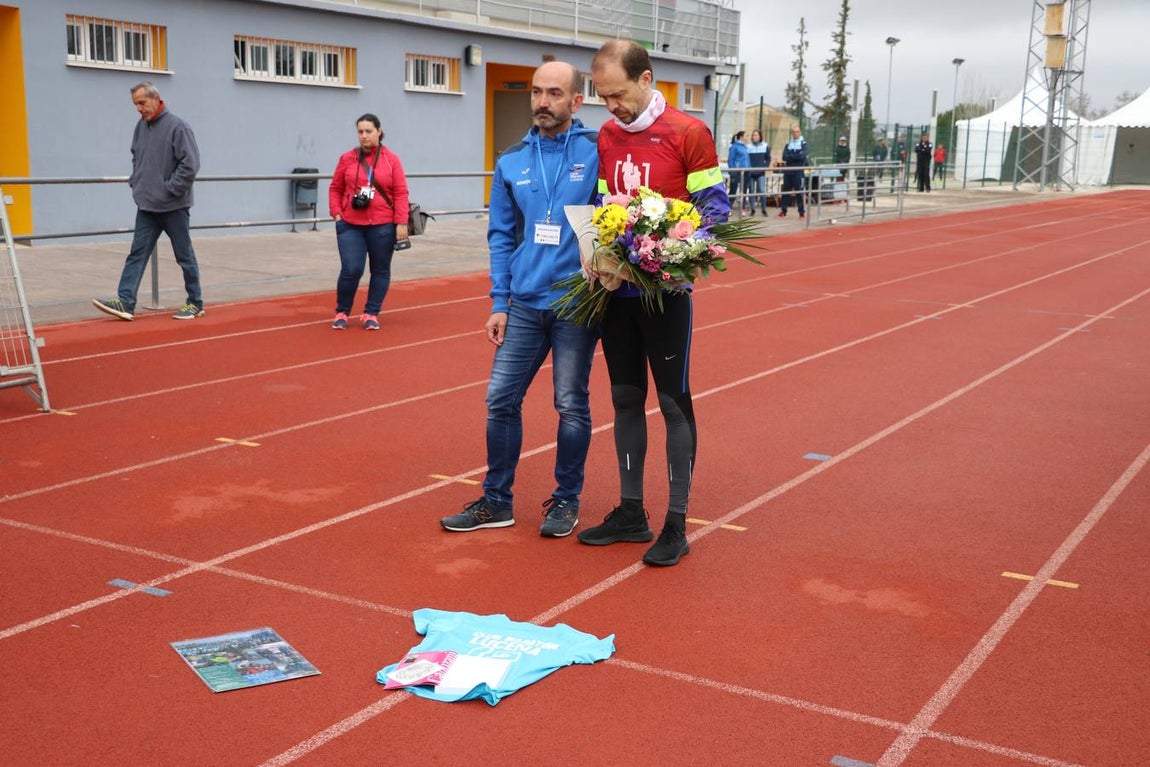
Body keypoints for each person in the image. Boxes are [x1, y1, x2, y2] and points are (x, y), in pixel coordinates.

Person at [579, 39, 731, 567]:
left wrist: (671, 249)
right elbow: (602, 201)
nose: (612, 106)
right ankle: (630, 513)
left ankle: (675, 522)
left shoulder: (689, 132)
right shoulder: (606, 134)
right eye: (603, 97)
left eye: (617, 94)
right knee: (624, 399)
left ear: (647, 80)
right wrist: (597, 249)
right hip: (615, 293)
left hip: (665, 294)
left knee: (671, 404)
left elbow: (715, 210)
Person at [439, 61, 600, 537]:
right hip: (526, 303)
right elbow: (502, 237)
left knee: (570, 403)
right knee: (500, 399)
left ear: (576, 102)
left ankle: (566, 501)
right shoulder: (511, 160)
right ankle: (496, 501)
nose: (542, 103)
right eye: (535, 93)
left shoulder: (597, 153)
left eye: (554, 93)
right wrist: (499, 301)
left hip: (576, 302)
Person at [93, 82, 204, 321]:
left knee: (183, 255)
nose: (139, 109)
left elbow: (191, 164)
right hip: (146, 206)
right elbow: (136, 155)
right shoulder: (140, 127)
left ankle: (195, 302)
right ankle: (125, 301)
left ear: (156, 99)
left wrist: (168, 189)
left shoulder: (178, 127)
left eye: (142, 103)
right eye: (135, 104)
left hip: (174, 206)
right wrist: (137, 182)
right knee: (137, 253)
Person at [328, 113, 409, 330]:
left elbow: (401, 192)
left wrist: (401, 222)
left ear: (379, 132)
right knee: (351, 269)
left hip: (382, 224)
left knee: (380, 269)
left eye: (368, 131)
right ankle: (342, 312)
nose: (364, 136)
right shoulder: (347, 158)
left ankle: (371, 313)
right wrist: (336, 213)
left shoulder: (391, 159)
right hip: (350, 223)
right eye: (360, 131)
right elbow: (335, 188)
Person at [778, 124, 808, 218]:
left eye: (797, 132)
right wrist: (795, 156)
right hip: (788, 171)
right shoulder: (788, 144)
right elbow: (784, 157)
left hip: (798, 171)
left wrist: (791, 157)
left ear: (800, 133)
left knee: (799, 191)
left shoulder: (804, 144)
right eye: (794, 132)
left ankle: (801, 212)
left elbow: (802, 156)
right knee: (786, 191)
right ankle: (783, 210)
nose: (795, 134)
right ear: (792, 133)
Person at [746, 129, 770, 215]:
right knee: (751, 191)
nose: (755, 137)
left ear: (760, 136)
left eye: (756, 135)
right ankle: (753, 209)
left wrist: (765, 167)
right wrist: (749, 168)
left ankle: (764, 209)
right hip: (751, 172)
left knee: (762, 190)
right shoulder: (748, 147)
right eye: (753, 135)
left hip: (761, 172)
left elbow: (768, 158)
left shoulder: (765, 146)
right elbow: (747, 159)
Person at [726, 130, 750, 216]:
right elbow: (730, 159)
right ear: (741, 137)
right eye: (746, 136)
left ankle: (743, 208)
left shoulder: (746, 147)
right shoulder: (734, 146)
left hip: (746, 172)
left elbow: (747, 159)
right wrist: (732, 171)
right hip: (737, 172)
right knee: (733, 190)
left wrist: (749, 168)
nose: (747, 138)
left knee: (743, 191)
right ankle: (728, 208)